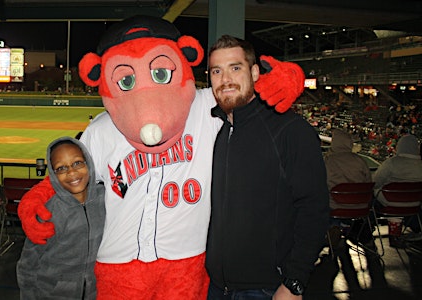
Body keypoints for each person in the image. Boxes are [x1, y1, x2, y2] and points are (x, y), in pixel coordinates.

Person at [19, 16, 303, 299]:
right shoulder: (102, 130)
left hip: (187, 261)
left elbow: (242, 93)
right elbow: (69, 174)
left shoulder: (204, 106)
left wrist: (280, 80)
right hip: (119, 262)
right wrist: (37, 197)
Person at [206, 35, 329, 299]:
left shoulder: (290, 130)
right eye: (217, 71)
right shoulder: (217, 127)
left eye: (235, 68)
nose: (225, 79)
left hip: (267, 289)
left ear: (254, 72)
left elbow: (314, 210)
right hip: (216, 286)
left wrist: (295, 282)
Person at [16, 136, 105, 299]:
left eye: (77, 163)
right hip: (53, 294)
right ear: (53, 175)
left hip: (96, 293)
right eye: (61, 168)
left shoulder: (106, 200)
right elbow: (28, 265)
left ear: (89, 163)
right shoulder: (48, 211)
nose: (71, 172)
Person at [323, 128, 373, 247]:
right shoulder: (360, 161)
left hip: (334, 206)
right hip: (361, 206)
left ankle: (334, 226)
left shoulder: (328, 161)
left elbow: (319, 183)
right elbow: (369, 182)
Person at [372, 134, 422, 248]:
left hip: (389, 203)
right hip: (414, 205)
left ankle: (364, 229)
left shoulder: (391, 163)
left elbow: (376, 182)